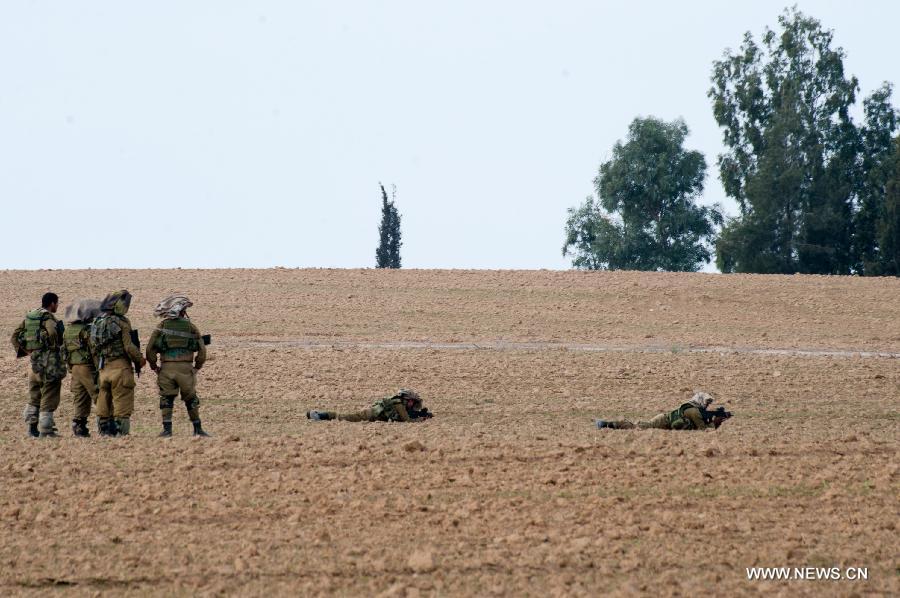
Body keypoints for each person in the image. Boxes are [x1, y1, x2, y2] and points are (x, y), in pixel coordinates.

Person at [146, 295, 209, 437]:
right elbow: (202, 350)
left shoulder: (161, 326)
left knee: (166, 398)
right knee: (191, 398)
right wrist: (197, 367)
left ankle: (167, 430)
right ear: (182, 310)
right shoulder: (191, 327)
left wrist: (154, 367)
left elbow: (150, 349)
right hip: (186, 369)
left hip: (166, 368)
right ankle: (197, 429)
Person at [89, 290, 146, 436]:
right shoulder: (122, 322)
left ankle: (104, 434)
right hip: (120, 369)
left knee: (103, 404)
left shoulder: (97, 322)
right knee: (122, 405)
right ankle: (122, 438)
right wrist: (140, 359)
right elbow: (128, 346)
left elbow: (93, 348)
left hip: (103, 369)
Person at [10, 292, 67, 437]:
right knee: (50, 393)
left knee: (34, 396)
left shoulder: (31, 316)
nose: (57, 306)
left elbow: (15, 336)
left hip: (33, 364)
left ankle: (32, 429)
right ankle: (46, 430)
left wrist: (28, 351)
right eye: (57, 303)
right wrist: (55, 348)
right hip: (48, 363)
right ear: (52, 303)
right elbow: (53, 332)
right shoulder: (48, 317)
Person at [62, 299, 102, 437]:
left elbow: (64, 351)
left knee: (80, 397)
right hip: (87, 367)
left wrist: (70, 367)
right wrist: (99, 367)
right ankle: (104, 425)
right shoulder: (87, 330)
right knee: (99, 395)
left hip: (75, 368)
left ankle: (79, 427)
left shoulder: (68, 331)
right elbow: (93, 350)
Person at [595, 391, 726, 430]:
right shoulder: (694, 412)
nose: (707, 406)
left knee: (639, 426)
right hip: (663, 420)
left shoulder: (693, 410)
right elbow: (702, 429)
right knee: (637, 427)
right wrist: (715, 424)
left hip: (665, 421)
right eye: (706, 403)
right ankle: (607, 424)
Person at [307, 389, 431, 422]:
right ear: (406, 399)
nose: (412, 404)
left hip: (372, 414)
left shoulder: (398, 403)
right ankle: (319, 415)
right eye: (411, 401)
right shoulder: (399, 404)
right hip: (370, 415)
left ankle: (319, 415)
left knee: (346, 416)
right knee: (344, 417)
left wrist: (420, 414)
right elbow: (407, 420)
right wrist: (421, 419)